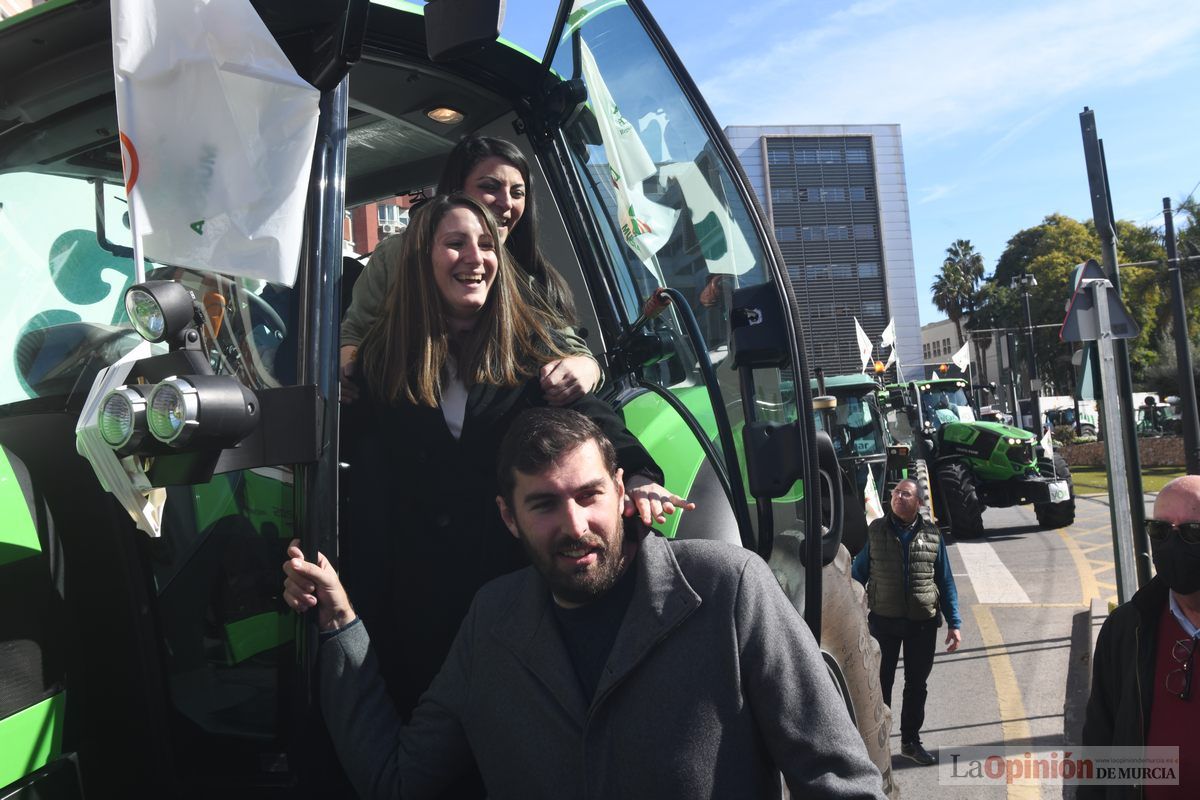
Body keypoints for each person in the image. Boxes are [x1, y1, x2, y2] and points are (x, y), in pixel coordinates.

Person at [285, 407, 887, 799]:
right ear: (508, 517)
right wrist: (340, 625)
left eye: (589, 495)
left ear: (621, 489)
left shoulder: (729, 591)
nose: (574, 525)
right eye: (544, 505)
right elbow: (399, 782)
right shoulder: (490, 626)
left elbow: (840, 781)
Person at [339, 193, 685, 737]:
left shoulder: (528, 347)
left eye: (484, 244)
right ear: (420, 261)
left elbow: (589, 420)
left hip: (511, 591)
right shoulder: (383, 360)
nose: (474, 257)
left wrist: (638, 476)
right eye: (454, 244)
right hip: (417, 603)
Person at [340, 135, 599, 405]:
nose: (506, 202)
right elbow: (356, 333)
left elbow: (571, 349)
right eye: (490, 187)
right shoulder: (396, 255)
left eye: (517, 193)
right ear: (455, 191)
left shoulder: (531, 276)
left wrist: (586, 369)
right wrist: (348, 372)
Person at [1080, 475, 1200, 799]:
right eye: (1160, 530)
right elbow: (1100, 740)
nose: (1172, 545)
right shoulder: (1127, 627)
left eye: (1193, 532)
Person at [852, 478, 962, 766]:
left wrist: (955, 623)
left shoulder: (933, 535)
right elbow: (858, 572)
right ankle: (878, 745)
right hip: (883, 624)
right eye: (896, 493)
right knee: (880, 683)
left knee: (916, 685)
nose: (899, 497)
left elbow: (946, 581)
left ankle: (911, 741)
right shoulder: (876, 531)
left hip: (921, 625)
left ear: (919, 502)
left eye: (906, 494)